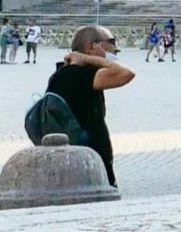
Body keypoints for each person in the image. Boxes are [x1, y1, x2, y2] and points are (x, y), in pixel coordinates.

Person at [46, 26, 136, 186]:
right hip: (86, 167)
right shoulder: (77, 73)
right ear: (92, 46)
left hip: (81, 163)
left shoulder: (66, 72)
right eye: (111, 43)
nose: (116, 50)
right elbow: (125, 74)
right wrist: (85, 58)